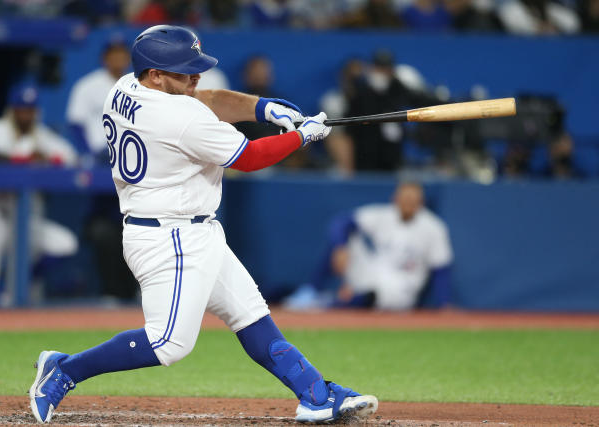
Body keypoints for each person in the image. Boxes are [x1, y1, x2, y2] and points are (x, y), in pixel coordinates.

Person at [28, 25, 378, 424]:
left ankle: (316, 395)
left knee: (250, 315)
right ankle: (64, 369)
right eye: (183, 71)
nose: (195, 77)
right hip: (169, 236)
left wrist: (262, 108)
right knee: (168, 344)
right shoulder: (179, 118)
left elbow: (206, 99)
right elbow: (247, 156)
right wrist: (301, 137)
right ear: (156, 74)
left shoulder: (126, 86)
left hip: (192, 228)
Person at [0, 84, 78, 306]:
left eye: (30, 109)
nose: (26, 114)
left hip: (25, 219)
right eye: (22, 109)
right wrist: (24, 161)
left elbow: (70, 158)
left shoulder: (41, 134)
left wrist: (45, 158)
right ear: (13, 110)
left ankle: (19, 291)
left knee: (64, 244)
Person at [286, 182, 453, 311]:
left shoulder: (434, 227)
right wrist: (340, 247)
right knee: (344, 237)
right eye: (404, 199)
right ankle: (311, 291)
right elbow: (341, 223)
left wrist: (443, 304)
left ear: (421, 202)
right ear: (395, 199)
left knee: (375, 294)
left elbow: (441, 268)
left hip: (402, 287)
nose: (408, 203)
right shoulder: (385, 214)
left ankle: (327, 304)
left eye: (413, 200)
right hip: (374, 271)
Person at [66, 35, 138, 302]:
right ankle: (111, 292)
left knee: (138, 231)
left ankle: (135, 292)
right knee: (105, 231)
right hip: (100, 160)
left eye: (122, 53)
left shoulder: (136, 86)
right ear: (104, 57)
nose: (118, 59)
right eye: (113, 53)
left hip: (131, 161)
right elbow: (75, 124)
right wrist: (88, 154)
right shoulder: (88, 86)